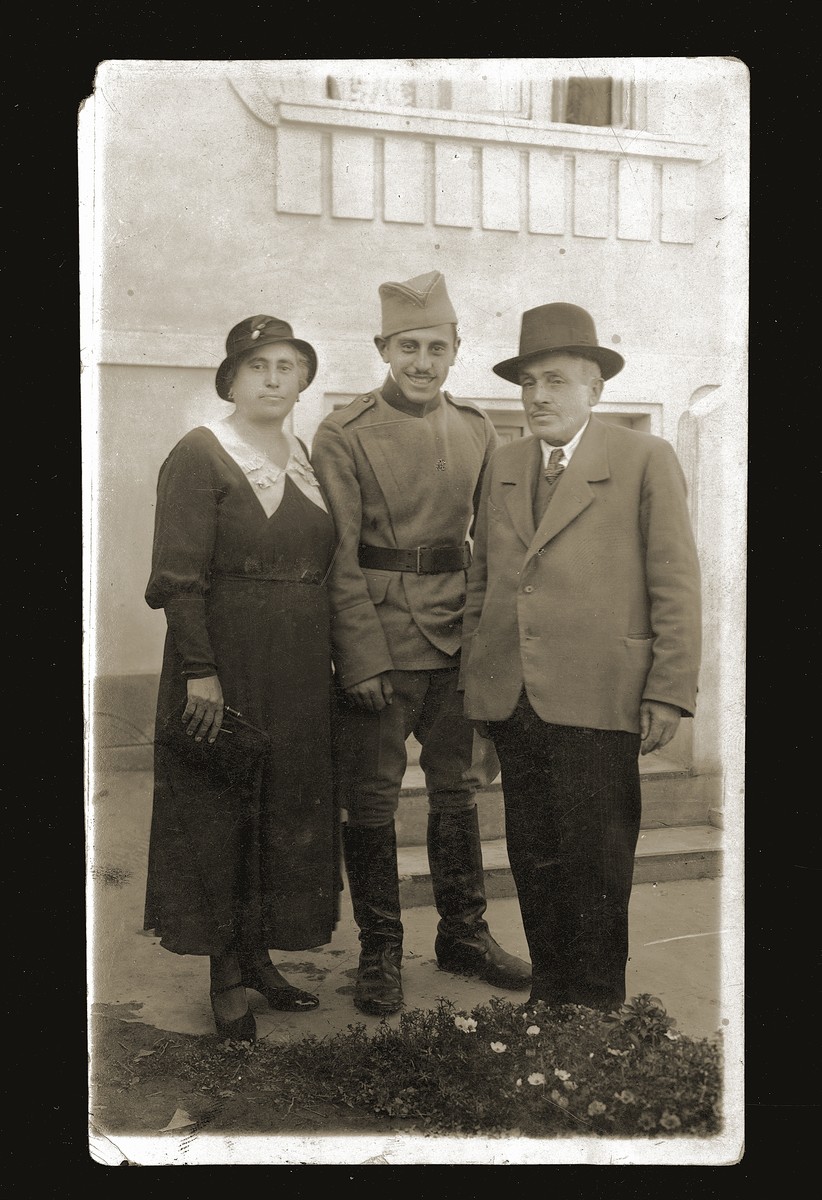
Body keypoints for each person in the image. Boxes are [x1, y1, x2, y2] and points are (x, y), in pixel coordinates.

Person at [460, 302, 702, 1012]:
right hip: (516, 697)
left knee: (597, 862)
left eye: (557, 381)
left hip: (602, 696)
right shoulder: (502, 463)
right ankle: (550, 991)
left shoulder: (642, 459)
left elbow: (676, 584)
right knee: (533, 856)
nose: (538, 397)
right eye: (529, 382)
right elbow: (483, 587)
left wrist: (669, 689)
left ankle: (596, 1006)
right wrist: (481, 698)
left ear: (596, 389)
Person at [310, 270, 531, 1017]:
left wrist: (486, 648)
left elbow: (494, 549)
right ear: (382, 347)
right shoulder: (343, 432)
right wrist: (361, 654)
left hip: (458, 636)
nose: (422, 361)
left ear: (457, 348)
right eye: (408, 346)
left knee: (457, 789)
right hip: (383, 636)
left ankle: (463, 934)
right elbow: (338, 556)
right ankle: (380, 949)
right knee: (371, 798)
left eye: (437, 346)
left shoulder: (477, 428)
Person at [144, 315, 340, 1041]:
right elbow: (177, 578)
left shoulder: (305, 457)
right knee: (221, 807)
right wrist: (200, 672)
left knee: (281, 806)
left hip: (296, 667)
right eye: (258, 365)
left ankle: (257, 958)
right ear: (231, 378)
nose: (274, 378)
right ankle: (223, 975)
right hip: (222, 662)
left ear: (302, 381)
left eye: (288, 366)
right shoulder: (201, 453)